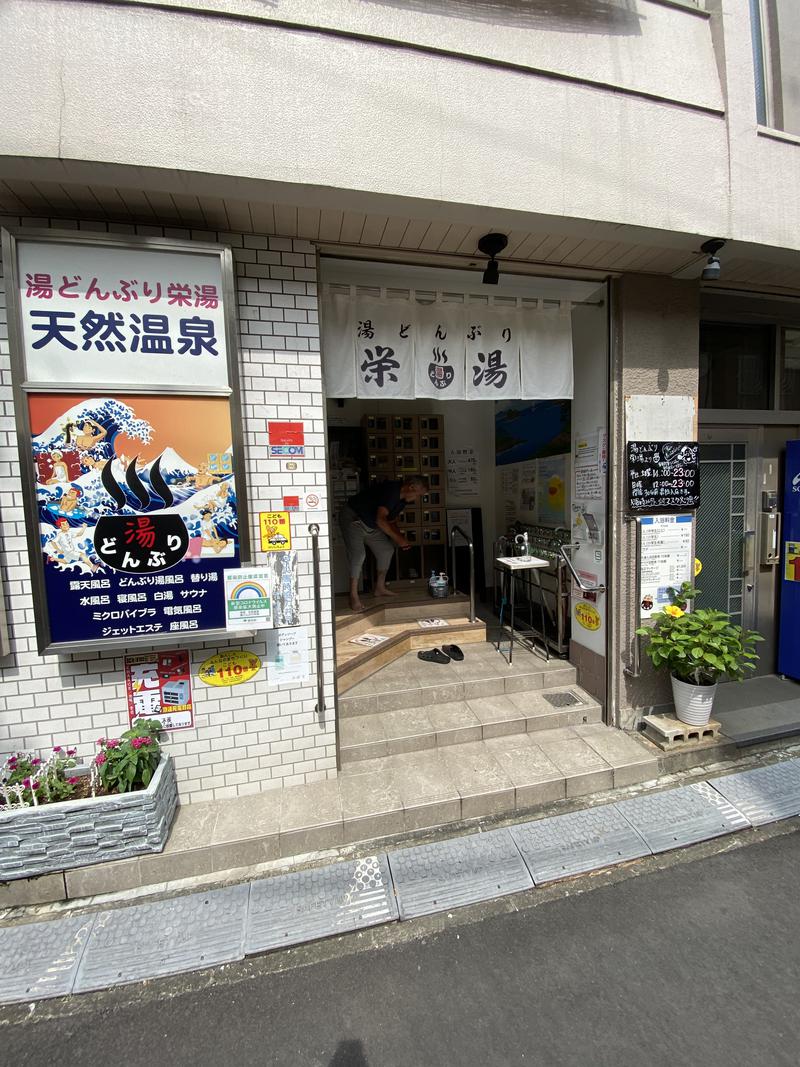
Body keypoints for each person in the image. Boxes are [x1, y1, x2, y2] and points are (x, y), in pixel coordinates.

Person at [340, 475, 429, 612]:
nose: (418, 499)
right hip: (354, 519)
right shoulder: (391, 491)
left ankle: (380, 588)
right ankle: (353, 595)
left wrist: (400, 538)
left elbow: (391, 521)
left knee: (386, 550)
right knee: (358, 555)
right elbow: (381, 520)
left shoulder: (403, 500)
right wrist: (398, 539)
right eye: (418, 495)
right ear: (411, 487)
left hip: (371, 525)